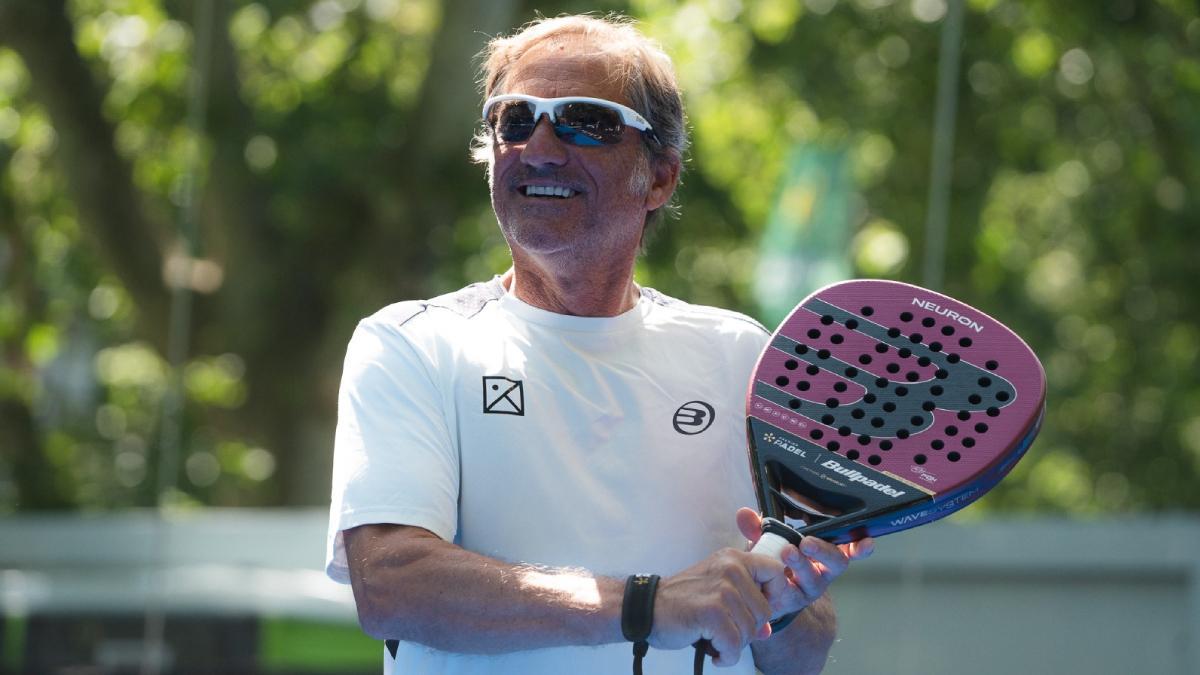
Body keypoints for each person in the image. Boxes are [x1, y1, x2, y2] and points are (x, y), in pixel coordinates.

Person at [325, 14, 874, 675]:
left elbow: (801, 653)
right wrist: (644, 605)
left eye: (588, 120)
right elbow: (391, 585)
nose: (542, 146)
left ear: (661, 177)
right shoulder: (413, 343)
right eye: (515, 119)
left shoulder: (739, 355)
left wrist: (779, 608)